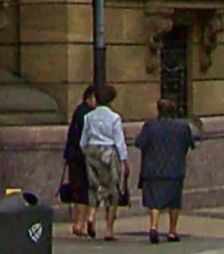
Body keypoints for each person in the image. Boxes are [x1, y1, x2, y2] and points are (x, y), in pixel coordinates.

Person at [134, 97, 199, 243]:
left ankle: (153, 226)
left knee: (154, 201)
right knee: (174, 201)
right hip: (175, 169)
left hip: (152, 169)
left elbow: (139, 143)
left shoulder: (150, 126)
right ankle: (172, 231)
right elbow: (190, 144)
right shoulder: (182, 127)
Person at [81, 82, 129, 241]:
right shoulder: (114, 118)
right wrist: (124, 160)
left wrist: (86, 152)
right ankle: (109, 229)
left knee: (94, 186)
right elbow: (119, 140)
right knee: (112, 190)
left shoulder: (88, 117)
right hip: (109, 151)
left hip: (92, 151)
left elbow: (83, 140)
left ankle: (91, 216)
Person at [61, 84, 97, 236]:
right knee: (83, 190)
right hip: (82, 156)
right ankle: (81, 222)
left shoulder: (79, 111)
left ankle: (79, 222)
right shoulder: (87, 114)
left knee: (79, 189)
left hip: (74, 155)